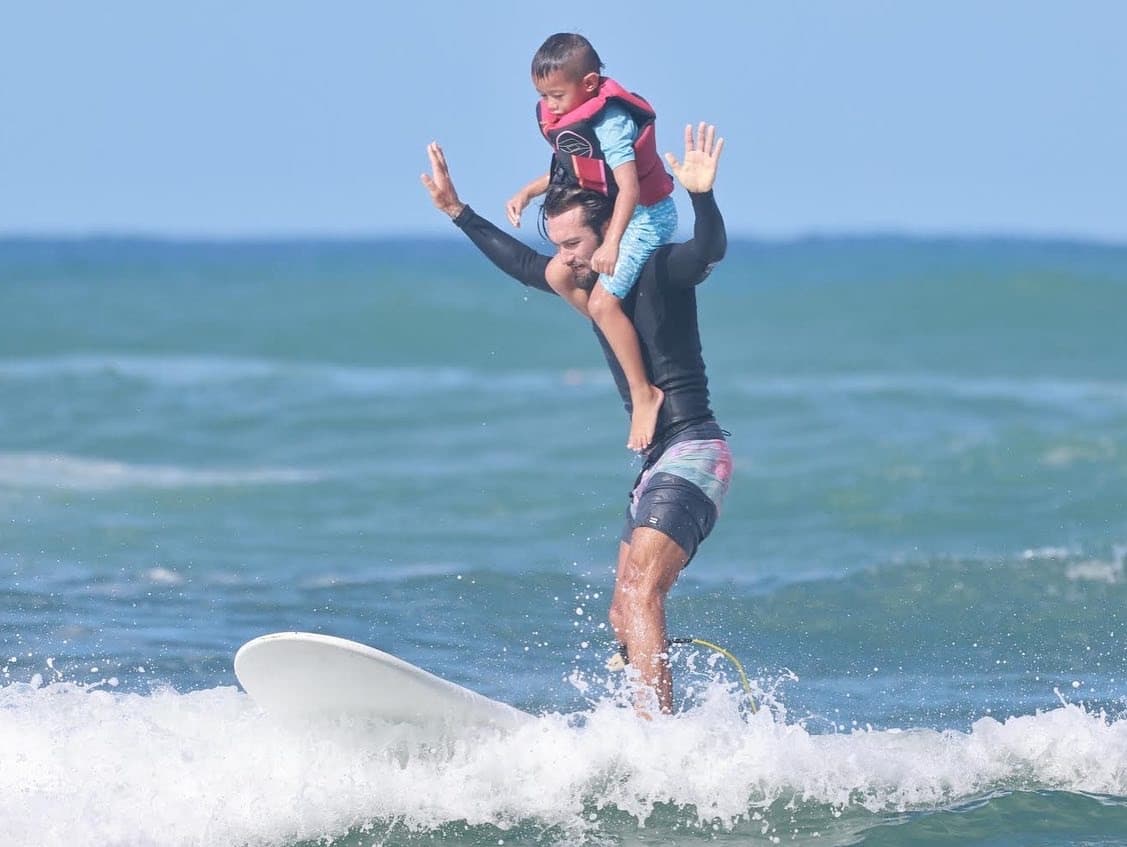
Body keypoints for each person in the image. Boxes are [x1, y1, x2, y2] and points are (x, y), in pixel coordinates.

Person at [421, 123, 731, 715]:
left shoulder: (656, 270)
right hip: (655, 463)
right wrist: (459, 212)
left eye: (573, 245)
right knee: (622, 611)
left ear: (609, 232)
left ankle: (657, 735)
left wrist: (702, 196)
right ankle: (656, 715)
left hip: (693, 450)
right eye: (558, 245)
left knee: (642, 595)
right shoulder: (590, 286)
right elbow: (523, 264)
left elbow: (707, 252)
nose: (563, 260)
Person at [506, 33, 677, 452]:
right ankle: (620, 334)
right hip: (615, 212)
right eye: (543, 96)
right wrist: (529, 192)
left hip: (646, 217)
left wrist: (611, 244)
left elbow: (629, 188)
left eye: (557, 95)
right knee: (559, 275)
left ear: (589, 84)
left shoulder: (611, 121)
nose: (551, 105)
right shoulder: (573, 114)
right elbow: (578, 167)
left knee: (602, 301)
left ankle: (643, 392)